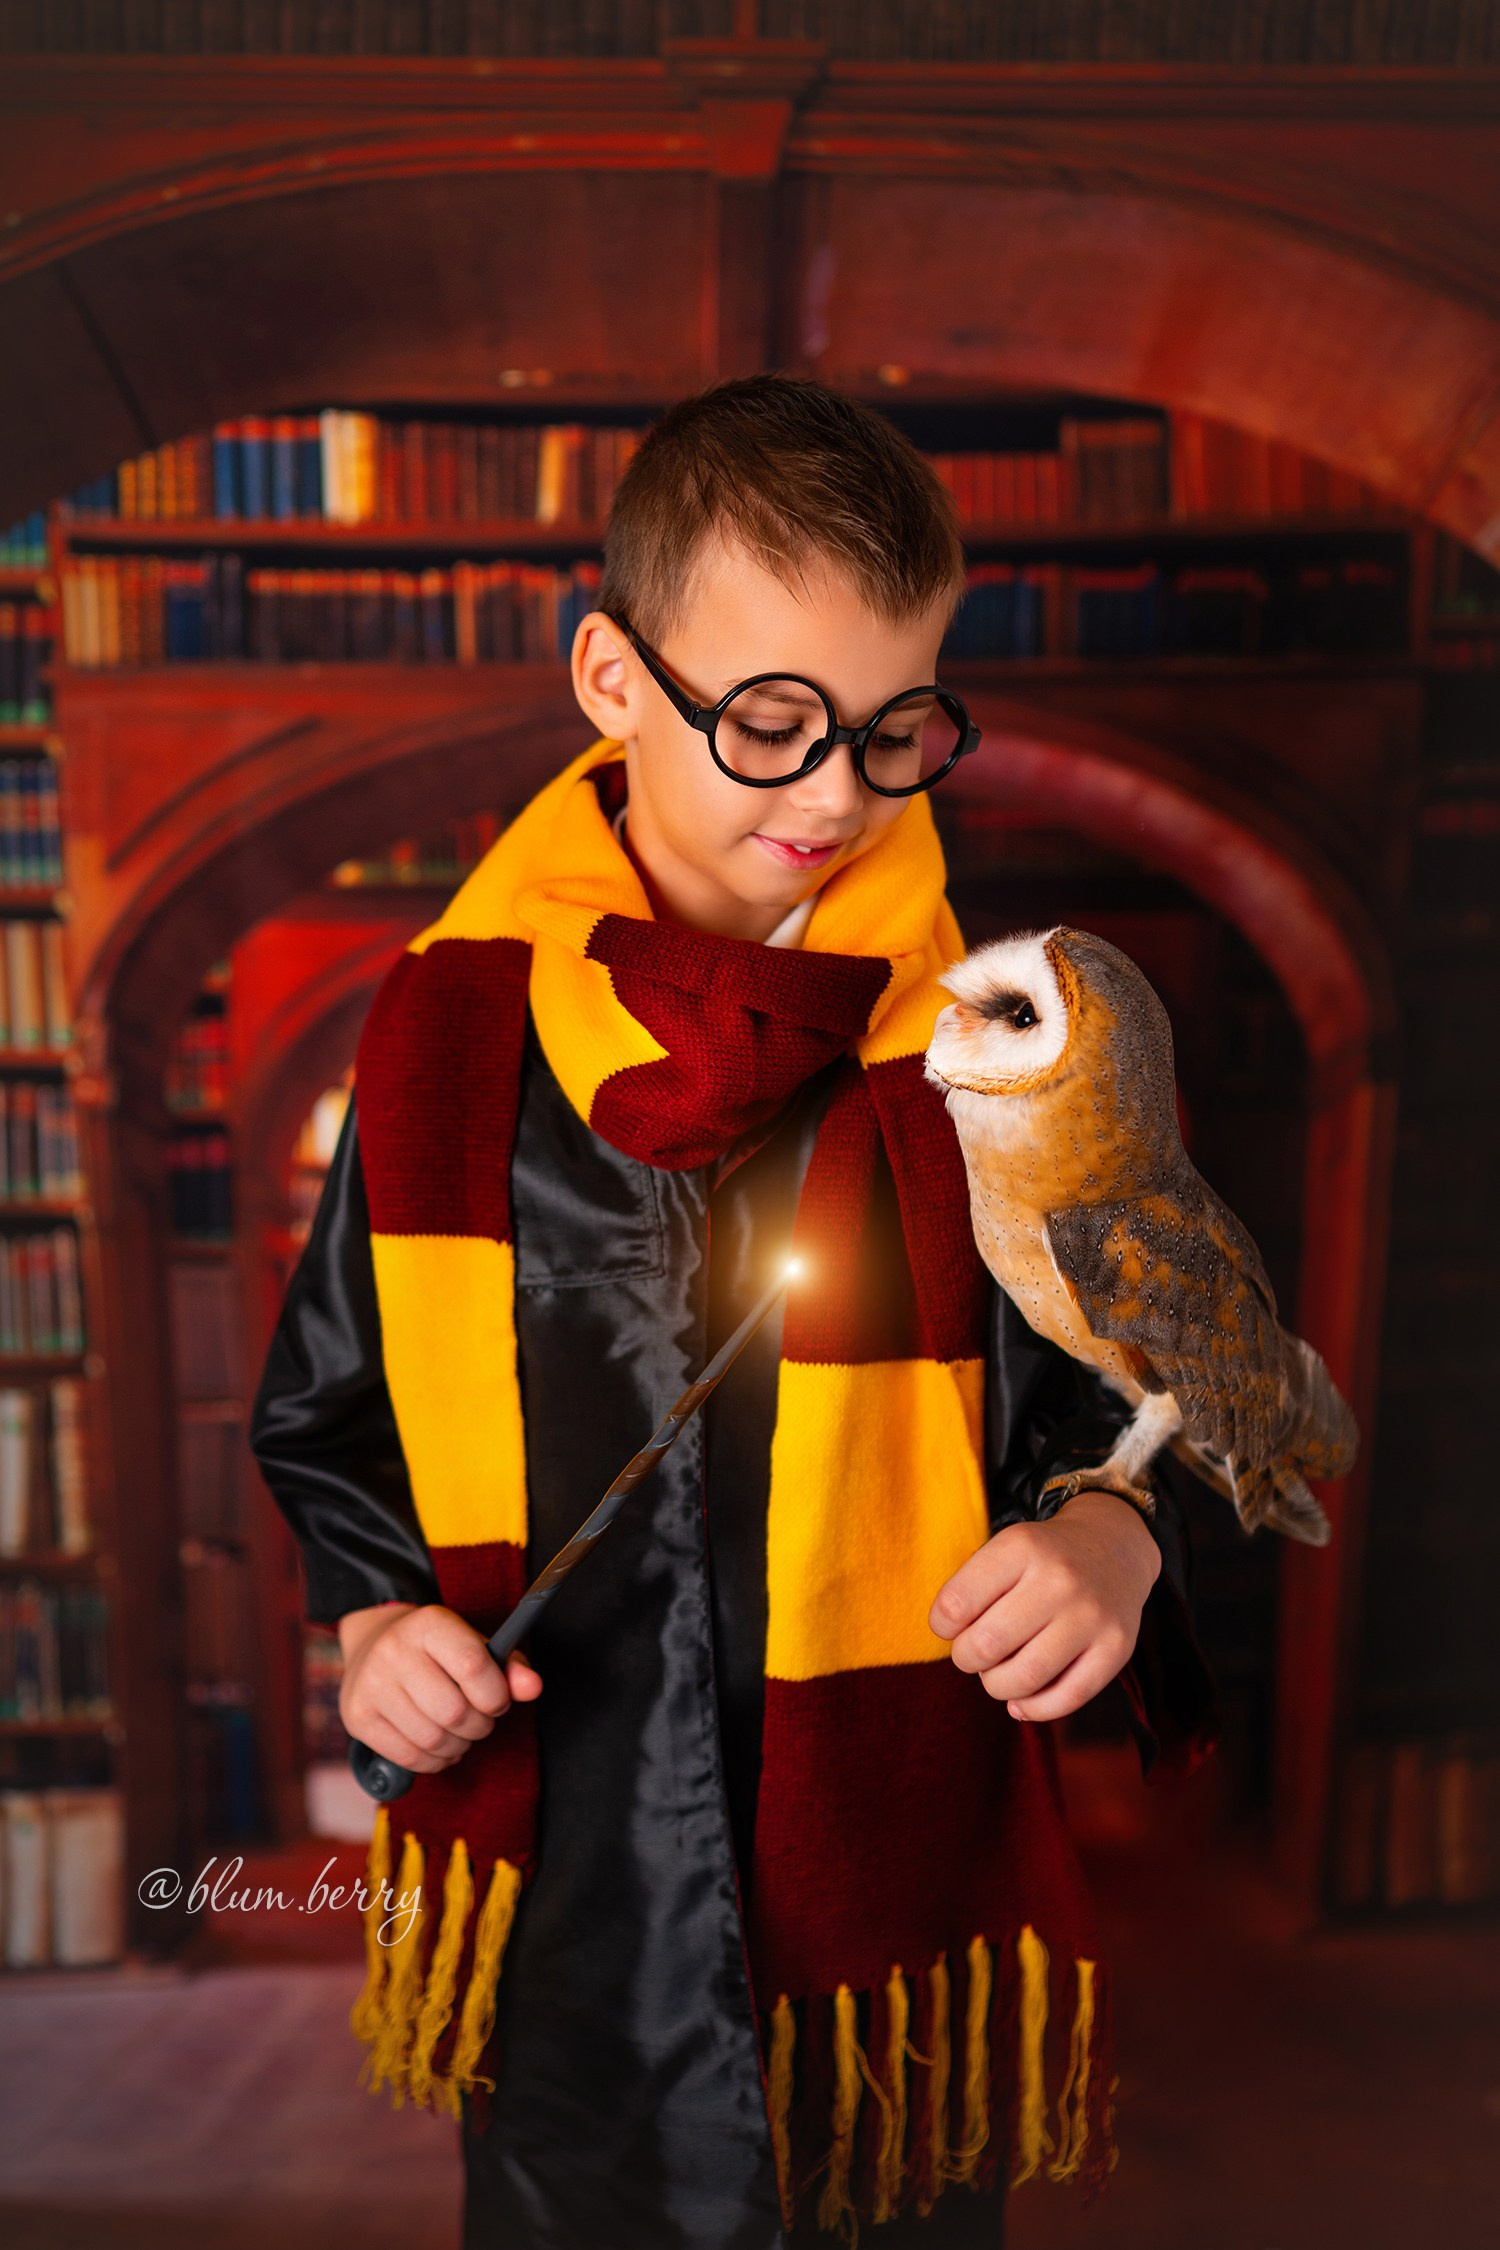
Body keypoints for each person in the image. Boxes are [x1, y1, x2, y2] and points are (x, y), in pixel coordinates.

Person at [250, 374, 1218, 2250]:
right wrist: (375, 1622)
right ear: (613, 678)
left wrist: (1112, 1528)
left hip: (883, 1902)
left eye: (896, 729)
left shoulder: (1005, 1050)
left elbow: (1134, 1386)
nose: (838, 792)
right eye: (770, 722)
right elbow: (331, 1413)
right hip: (571, 1884)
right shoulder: (447, 1038)